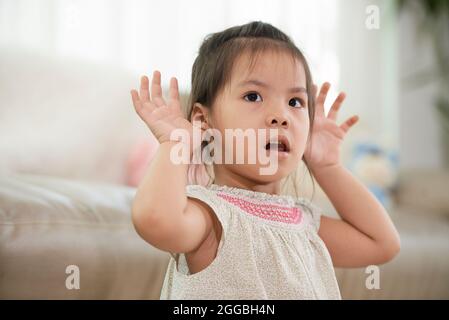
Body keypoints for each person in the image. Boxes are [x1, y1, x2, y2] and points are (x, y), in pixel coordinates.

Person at [130, 21, 401, 299]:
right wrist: (176, 142)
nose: (280, 115)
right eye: (253, 96)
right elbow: (155, 219)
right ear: (203, 120)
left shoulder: (304, 224)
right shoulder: (212, 218)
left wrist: (327, 166)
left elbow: (382, 243)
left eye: (295, 102)